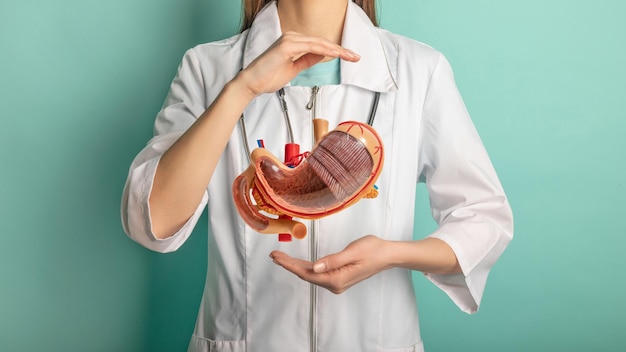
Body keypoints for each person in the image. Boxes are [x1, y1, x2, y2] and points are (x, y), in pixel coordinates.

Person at [121, 0, 514, 351]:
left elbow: (485, 219)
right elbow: (152, 222)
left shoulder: (418, 70)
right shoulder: (208, 68)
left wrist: (392, 254)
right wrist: (242, 88)